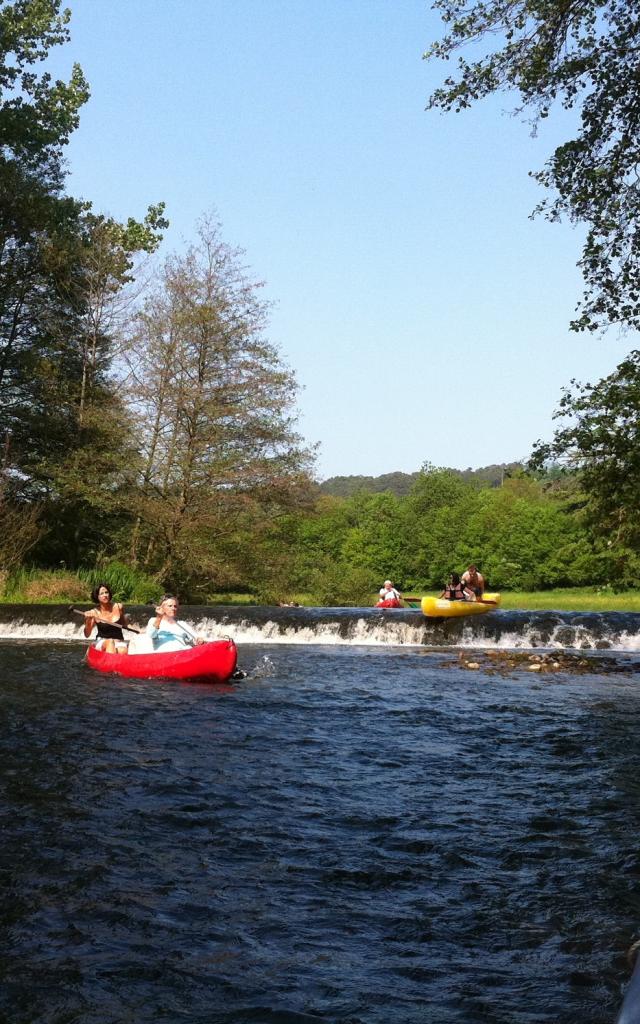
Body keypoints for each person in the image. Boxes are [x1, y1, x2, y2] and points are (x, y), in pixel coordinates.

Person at [83, 582, 127, 654]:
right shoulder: (94, 612)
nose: (105, 595)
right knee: (110, 642)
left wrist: (139, 630)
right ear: (97, 596)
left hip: (119, 642)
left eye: (106, 592)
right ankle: (110, 663)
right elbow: (87, 634)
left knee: (123, 651)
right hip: (102, 642)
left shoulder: (119, 607)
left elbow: (125, 625)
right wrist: (88, 620)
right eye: (102, 593)